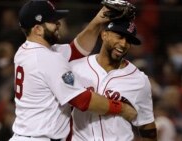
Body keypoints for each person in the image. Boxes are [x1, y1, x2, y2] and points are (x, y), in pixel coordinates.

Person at [9, 1, 137, 141]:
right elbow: (83, 100)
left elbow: (77, 50)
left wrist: (98, 20)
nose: (59, 24)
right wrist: (122, 108)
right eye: (53, 21)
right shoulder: (47, 58)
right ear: (38, 29)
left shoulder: (26, 51)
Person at [69, 20, 157, 141]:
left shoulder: (139, 80)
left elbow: (147, 127)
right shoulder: (76, 68)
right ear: (104, 34)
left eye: (128, 40)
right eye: (120, 37)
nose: (123, 44)